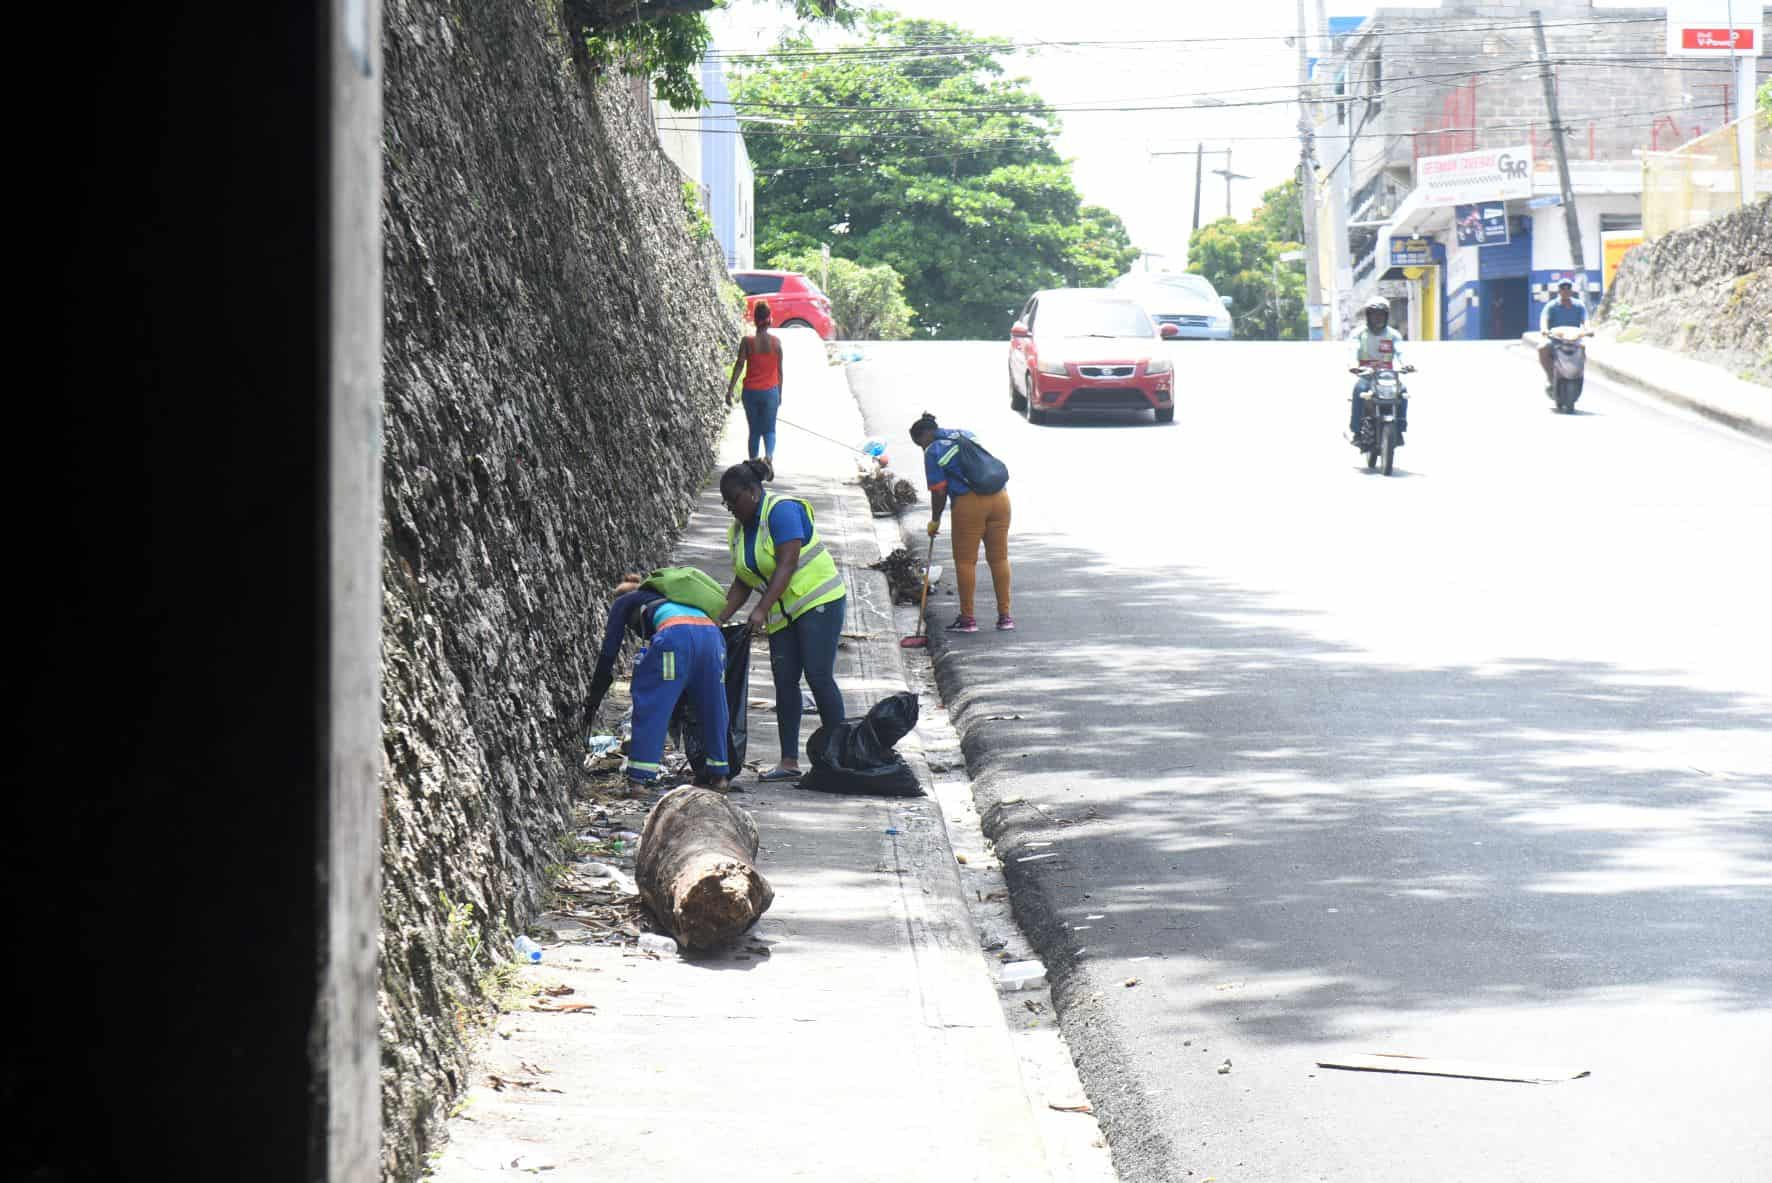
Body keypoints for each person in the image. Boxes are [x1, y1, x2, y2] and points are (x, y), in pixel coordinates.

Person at [716, 459, 847, 782]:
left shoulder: (782, 511)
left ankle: (839, 754)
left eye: (734, 499)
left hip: (818, 601)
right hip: (783, 612)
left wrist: (760, 610)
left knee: (818, 675)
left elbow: (787, 565)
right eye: (726, 502)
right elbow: (742, 581)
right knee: (785, 679)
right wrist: (715, 619)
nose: (731, 507)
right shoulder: (738, 531)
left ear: (753, 491)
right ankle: (789, 761)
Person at [583, 574, 729, 790]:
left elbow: (608, 654)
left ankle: (638, 781)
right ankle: (719, 776)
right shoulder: (672, 598)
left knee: (652, 703)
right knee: (714, 707)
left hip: (675, 639)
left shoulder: (624, 601)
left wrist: (593, 700)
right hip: (713, 638)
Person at [910, 412, 1014, 633]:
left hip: (969, 505)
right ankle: (1005, 617)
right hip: (1001, 499)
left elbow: (939, 493)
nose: (922, 448)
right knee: (999, 558)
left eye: (920, 444)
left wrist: (935, 520)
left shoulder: (933, 451)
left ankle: (968, 619)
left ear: (924, 435)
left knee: (966, 562)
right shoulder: (967, 434)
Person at [728, 301, 784, 476]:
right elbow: (780, 372)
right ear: (769, 319)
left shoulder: (747, 342)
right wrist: (779, 394)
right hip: (770, 392)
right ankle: (768, 458)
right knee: (769, 429)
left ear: (755, 319)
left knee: (754, 430)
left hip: (751, 392)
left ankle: (753, 464)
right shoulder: (776, 343)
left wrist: (730, 389)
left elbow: (739, 365)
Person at [1346, 296, 1408, 441]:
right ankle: (1356, 431)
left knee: (1403, 392)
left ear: (1386, 316)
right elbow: (1352, 350)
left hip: (1388, 377)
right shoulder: (1358, 334)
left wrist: (1406, 364)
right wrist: (1353, 366)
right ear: (1368, 316)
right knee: (1359, 390)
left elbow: (1401, 352)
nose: (1377, 318)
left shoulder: (1393, 335)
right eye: (1374, 314)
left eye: (1381, 314)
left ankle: (1399, 429)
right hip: (1367, 377)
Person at [1537, 279, 1589, 392]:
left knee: (1583, 349)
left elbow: (1585, 320)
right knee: (1542, 348)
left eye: (1568, 289)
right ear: (1559, 291)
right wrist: (1544, 329)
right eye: (1562, 289)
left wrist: (1588, 330)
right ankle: (1551, 376)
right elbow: (1544, 318)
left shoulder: (1579, 305)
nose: (1565, 291)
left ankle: (1578, 375)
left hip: (1574, 339)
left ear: (1571, 291)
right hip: (1556, 339)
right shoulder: (1551, 306)